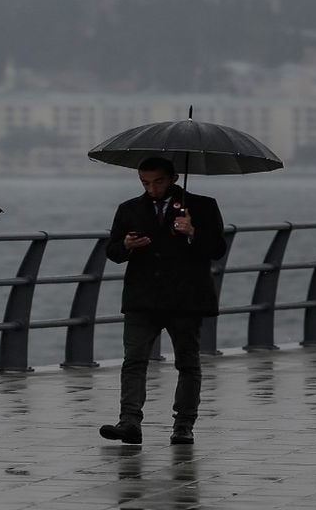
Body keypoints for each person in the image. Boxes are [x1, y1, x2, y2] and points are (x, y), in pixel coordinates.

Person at [99, 156, 226, 445]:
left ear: (173, 178)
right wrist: (127, 246)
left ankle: (184, 424)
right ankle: (129, 422)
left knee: (187, 362)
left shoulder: (203, 206)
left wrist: (193, 232)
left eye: (158, 182)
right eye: (145, 182)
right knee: (133, 360)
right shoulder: (129, 209)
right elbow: (113, 251)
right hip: (142, 298)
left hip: (185, 298)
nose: (152, 188)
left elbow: (217, 249)